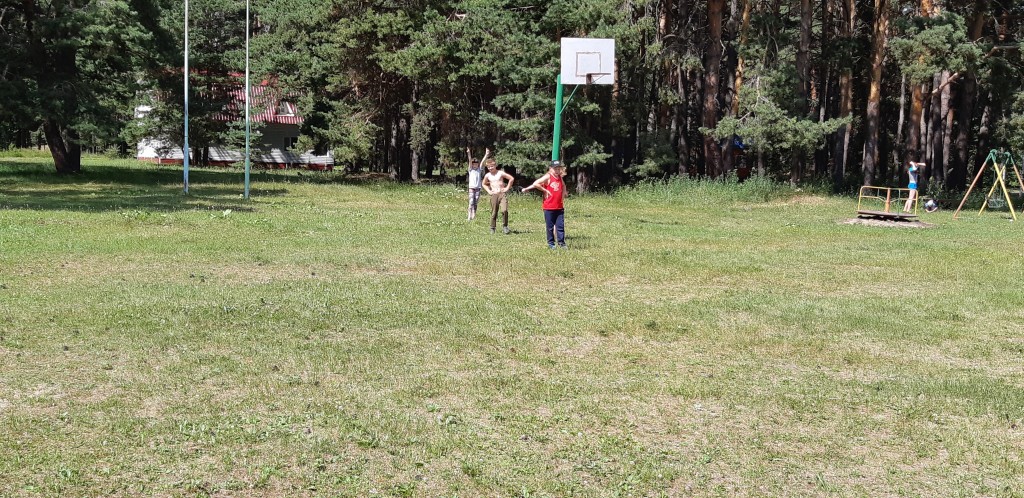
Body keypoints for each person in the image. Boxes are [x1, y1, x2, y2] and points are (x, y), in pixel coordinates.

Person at [523, 160, 567, 249]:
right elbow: (536, 184)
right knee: (550, 227)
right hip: (549, 207)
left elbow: (563, 186)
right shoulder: (548, 176)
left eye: (558, 169)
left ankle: (562, 243)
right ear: (550, 169)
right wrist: (545, 190)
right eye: (555, 169)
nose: (557, 171)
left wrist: (563, 196)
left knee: (560, 226)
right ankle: (551, 244)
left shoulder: (559, 177)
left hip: (559, 207)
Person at [482, 154, 514, 234]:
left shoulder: (500, 173)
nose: (490, 168)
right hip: (494, 195)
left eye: (492, 166)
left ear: (495, 165)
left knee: (504, 210)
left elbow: (511, 178)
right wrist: (488, 191)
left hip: (502, 194)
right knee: (494, 212)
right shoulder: (488, 175)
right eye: (488, 167)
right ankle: (492, 227)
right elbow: (483, 184)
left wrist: (507, 188)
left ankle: (505, 226)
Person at [465, 147, 487, 221]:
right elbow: (469, 160)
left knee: (476, 201)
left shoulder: (479, 170)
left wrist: (486, 154)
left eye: (476, 164)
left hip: (478, 188)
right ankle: (469, 215)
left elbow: (483, 162)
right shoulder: (470, 170)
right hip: (471, 187)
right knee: (471, 201)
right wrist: (469, 153)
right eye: (473, 164)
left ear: (478, 165)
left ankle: (474, 213)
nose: (475, 165)